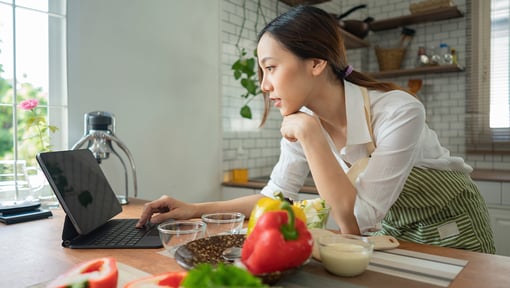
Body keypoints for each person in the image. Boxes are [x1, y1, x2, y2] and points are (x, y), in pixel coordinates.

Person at [137, 5, 495, 254]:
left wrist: (310, 135)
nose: (263, 85)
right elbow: (277, 197)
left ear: (317, 63)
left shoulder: (399, 111)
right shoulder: (302, 119)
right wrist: (195, 209)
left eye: (271, 67)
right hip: (391, 230)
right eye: (262, 72)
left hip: (452, 224)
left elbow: (358, 219)